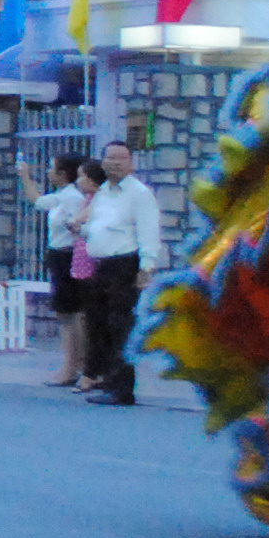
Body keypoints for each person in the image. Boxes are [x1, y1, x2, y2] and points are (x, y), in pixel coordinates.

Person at [82, 148, 165, 405]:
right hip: (102, 265)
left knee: (120, 325)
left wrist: (146, 267)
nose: (115, 163)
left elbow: (148, 232)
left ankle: (122, 387)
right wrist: (82, 230)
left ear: (131, 163)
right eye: (110, 158)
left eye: (121, 158)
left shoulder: (139, 194)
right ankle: (108, 379)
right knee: (100, 324)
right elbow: (100, 226)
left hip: (125, 265)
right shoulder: (103, 193)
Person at [34, 154, 98, 385]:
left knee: (71, 314)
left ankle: (73, 366)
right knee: (68, 313)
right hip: (60, 254)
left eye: (53, 168)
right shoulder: (64, 196)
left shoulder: (72, 198)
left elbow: (77, 227)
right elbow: (38, 202)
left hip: (68, 255)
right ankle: (76, 365)